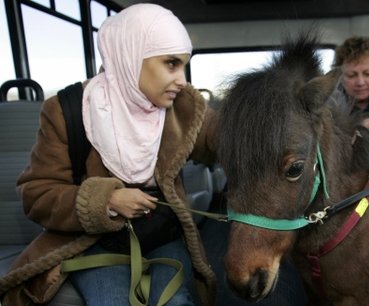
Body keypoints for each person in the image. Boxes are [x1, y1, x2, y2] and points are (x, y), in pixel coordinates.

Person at [0, 4, 217, 306]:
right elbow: (37, 195)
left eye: (184, 65)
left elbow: (225, 140)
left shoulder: (182, 107)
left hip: (163, 234)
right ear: (131, 56)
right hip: (93, 242)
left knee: (176, 302)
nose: (182, 79)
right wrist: (107, 201)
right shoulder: (67, 110)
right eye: (171, 64)